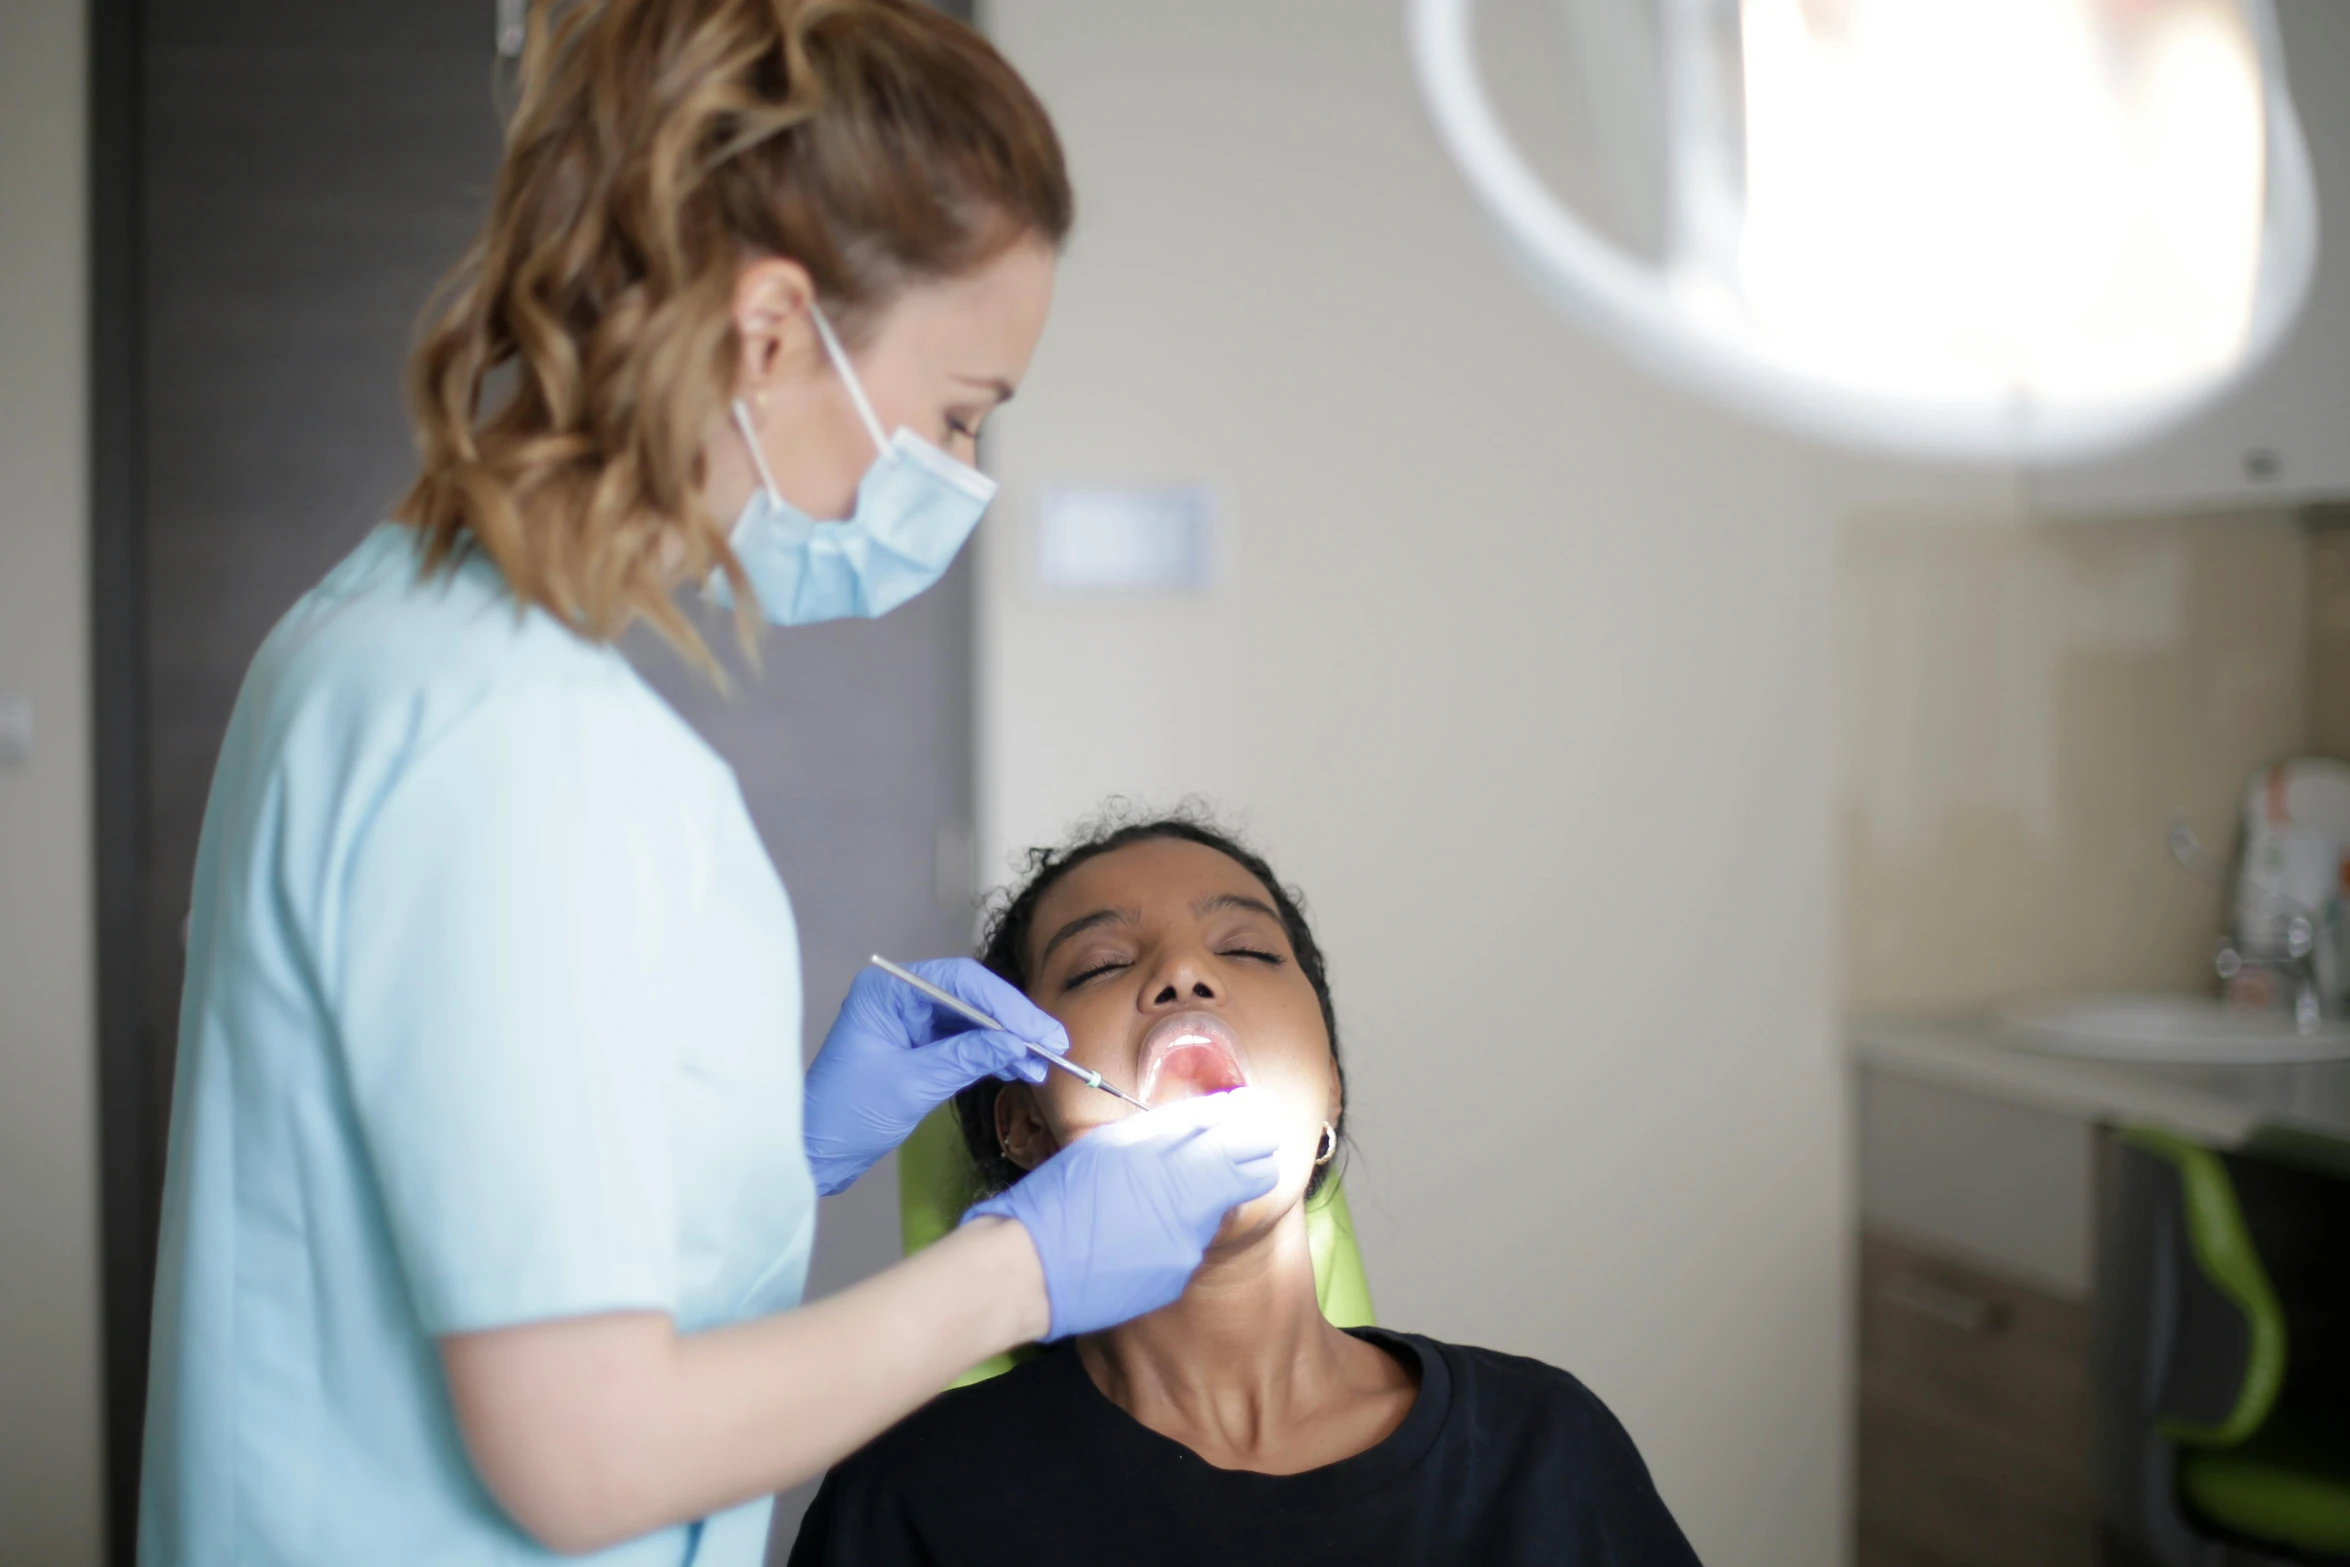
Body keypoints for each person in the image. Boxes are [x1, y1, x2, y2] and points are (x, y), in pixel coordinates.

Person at [138, 6, 1286, 1564]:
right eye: (956, 413)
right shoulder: (516, 744)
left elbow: (485, 1174)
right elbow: (584, 1447)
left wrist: (785, 1149)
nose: (959, 475)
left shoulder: (389, 632)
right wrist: (1020, 1270)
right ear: (767, 329)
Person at [788, 812, 1706, 1566]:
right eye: (1102, 962)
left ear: (1329, 1086)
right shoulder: (912, 1500)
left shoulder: (1545, 1451)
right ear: (1024, 1124)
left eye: (1249, 951)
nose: (1185, 975)